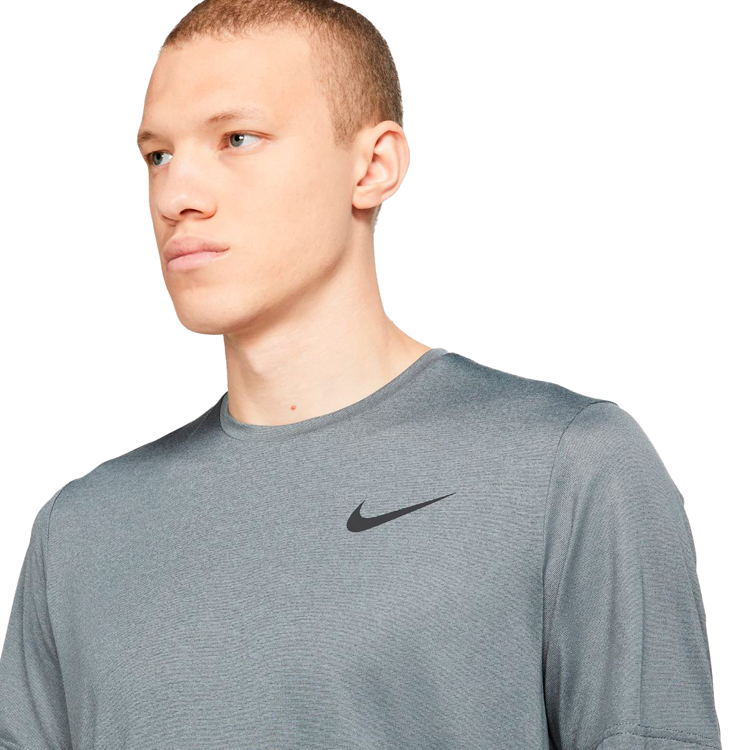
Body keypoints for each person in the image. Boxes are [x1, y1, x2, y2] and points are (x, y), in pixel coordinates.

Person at [0, 1, 722, 748]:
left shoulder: (566, 469)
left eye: (237, 139)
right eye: (157, 155)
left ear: (373, 166)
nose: (176, 195)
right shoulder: (80, 534)